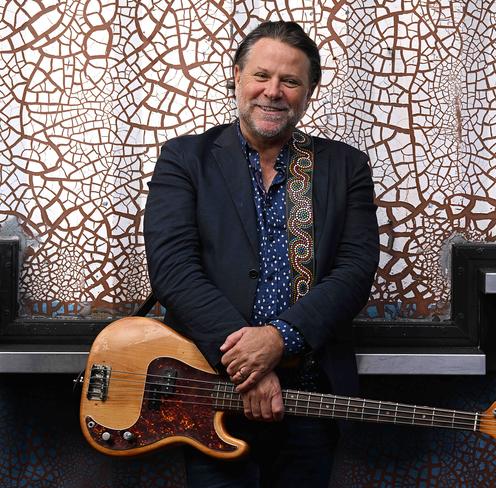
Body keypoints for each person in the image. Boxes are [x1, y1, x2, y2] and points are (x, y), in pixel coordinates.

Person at [144, 20, 379, 487]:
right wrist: (249, 364)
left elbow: (355, 270)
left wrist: (280, 339)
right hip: (211, 393)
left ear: (309, 91)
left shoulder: (344, 165)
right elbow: (172, 267)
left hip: (312, 397)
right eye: (261, 76)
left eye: (290, 81)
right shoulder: (184, 158)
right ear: (236, 77)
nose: (273, 91)